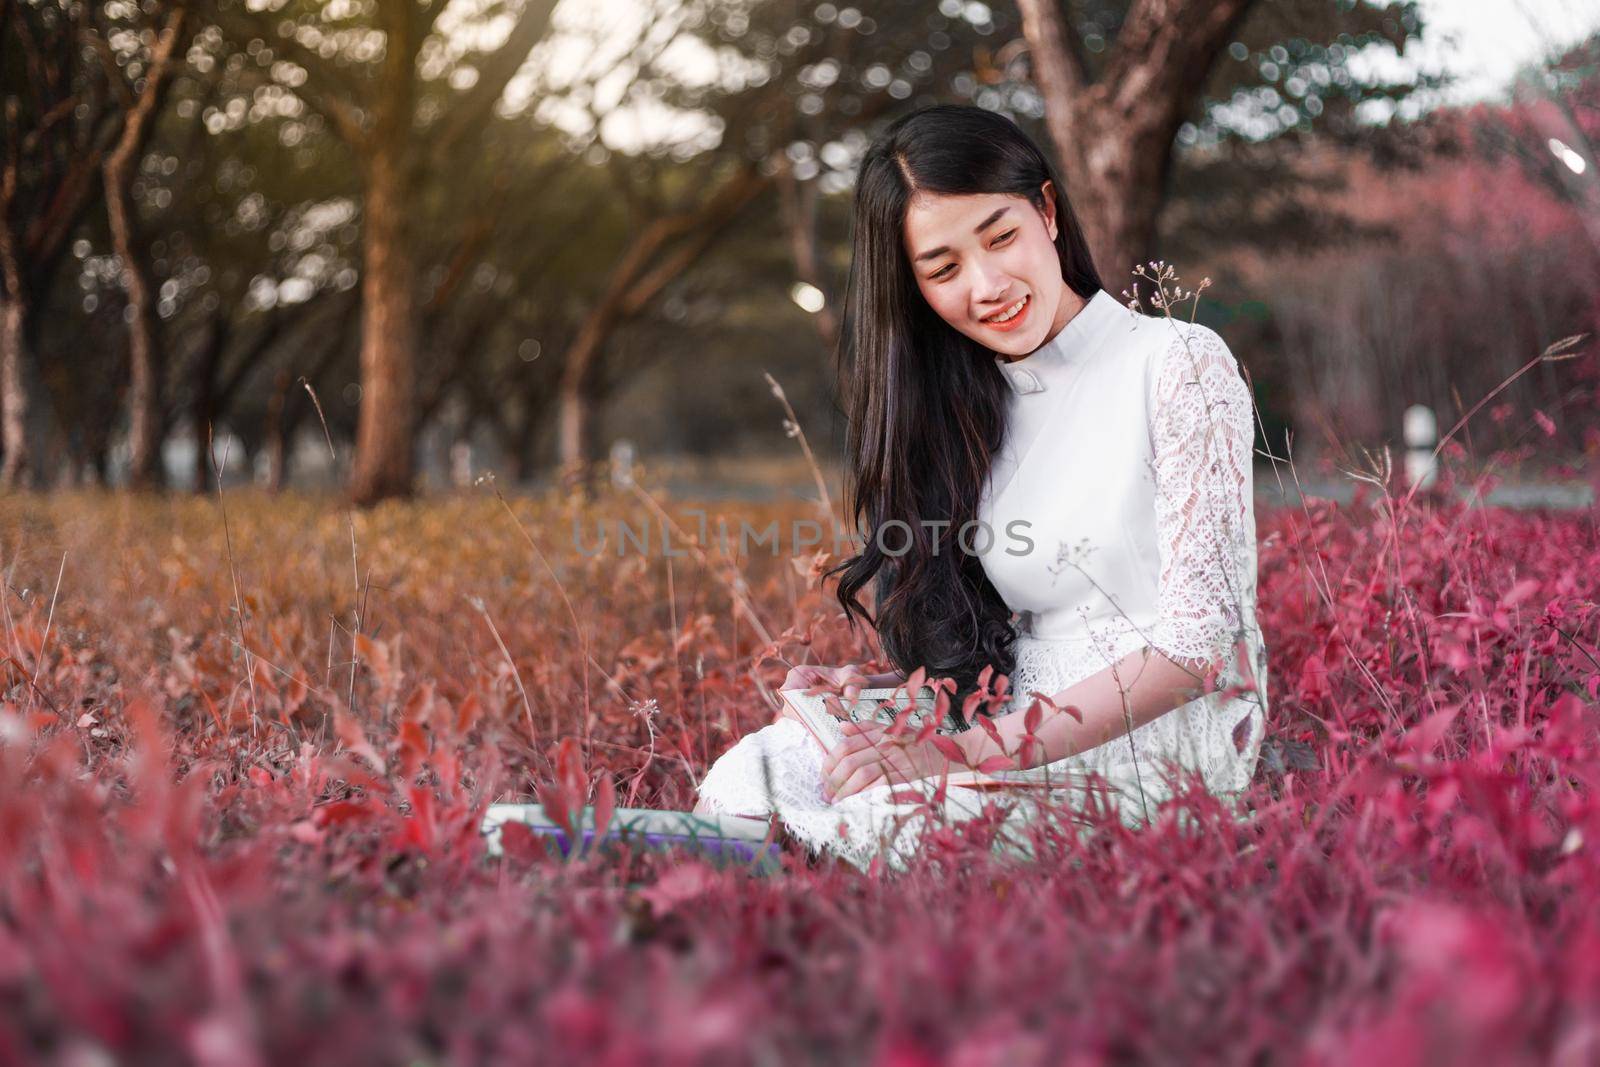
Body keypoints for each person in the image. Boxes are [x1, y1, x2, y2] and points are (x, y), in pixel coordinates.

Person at [693, 104, 1269, 871]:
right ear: (914, 288)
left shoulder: (1177, 362)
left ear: (1049, 212)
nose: (989, 283)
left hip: (1157, 738)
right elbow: (1008, 632)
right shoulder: (968, 407)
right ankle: (637, 880)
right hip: (1009, 721)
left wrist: (956, 755)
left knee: (886, 815)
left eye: (1001, 237)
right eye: (943, 268)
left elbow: (1198, 651)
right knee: (759, 769)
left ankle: (730, 892)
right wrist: (888, 698)